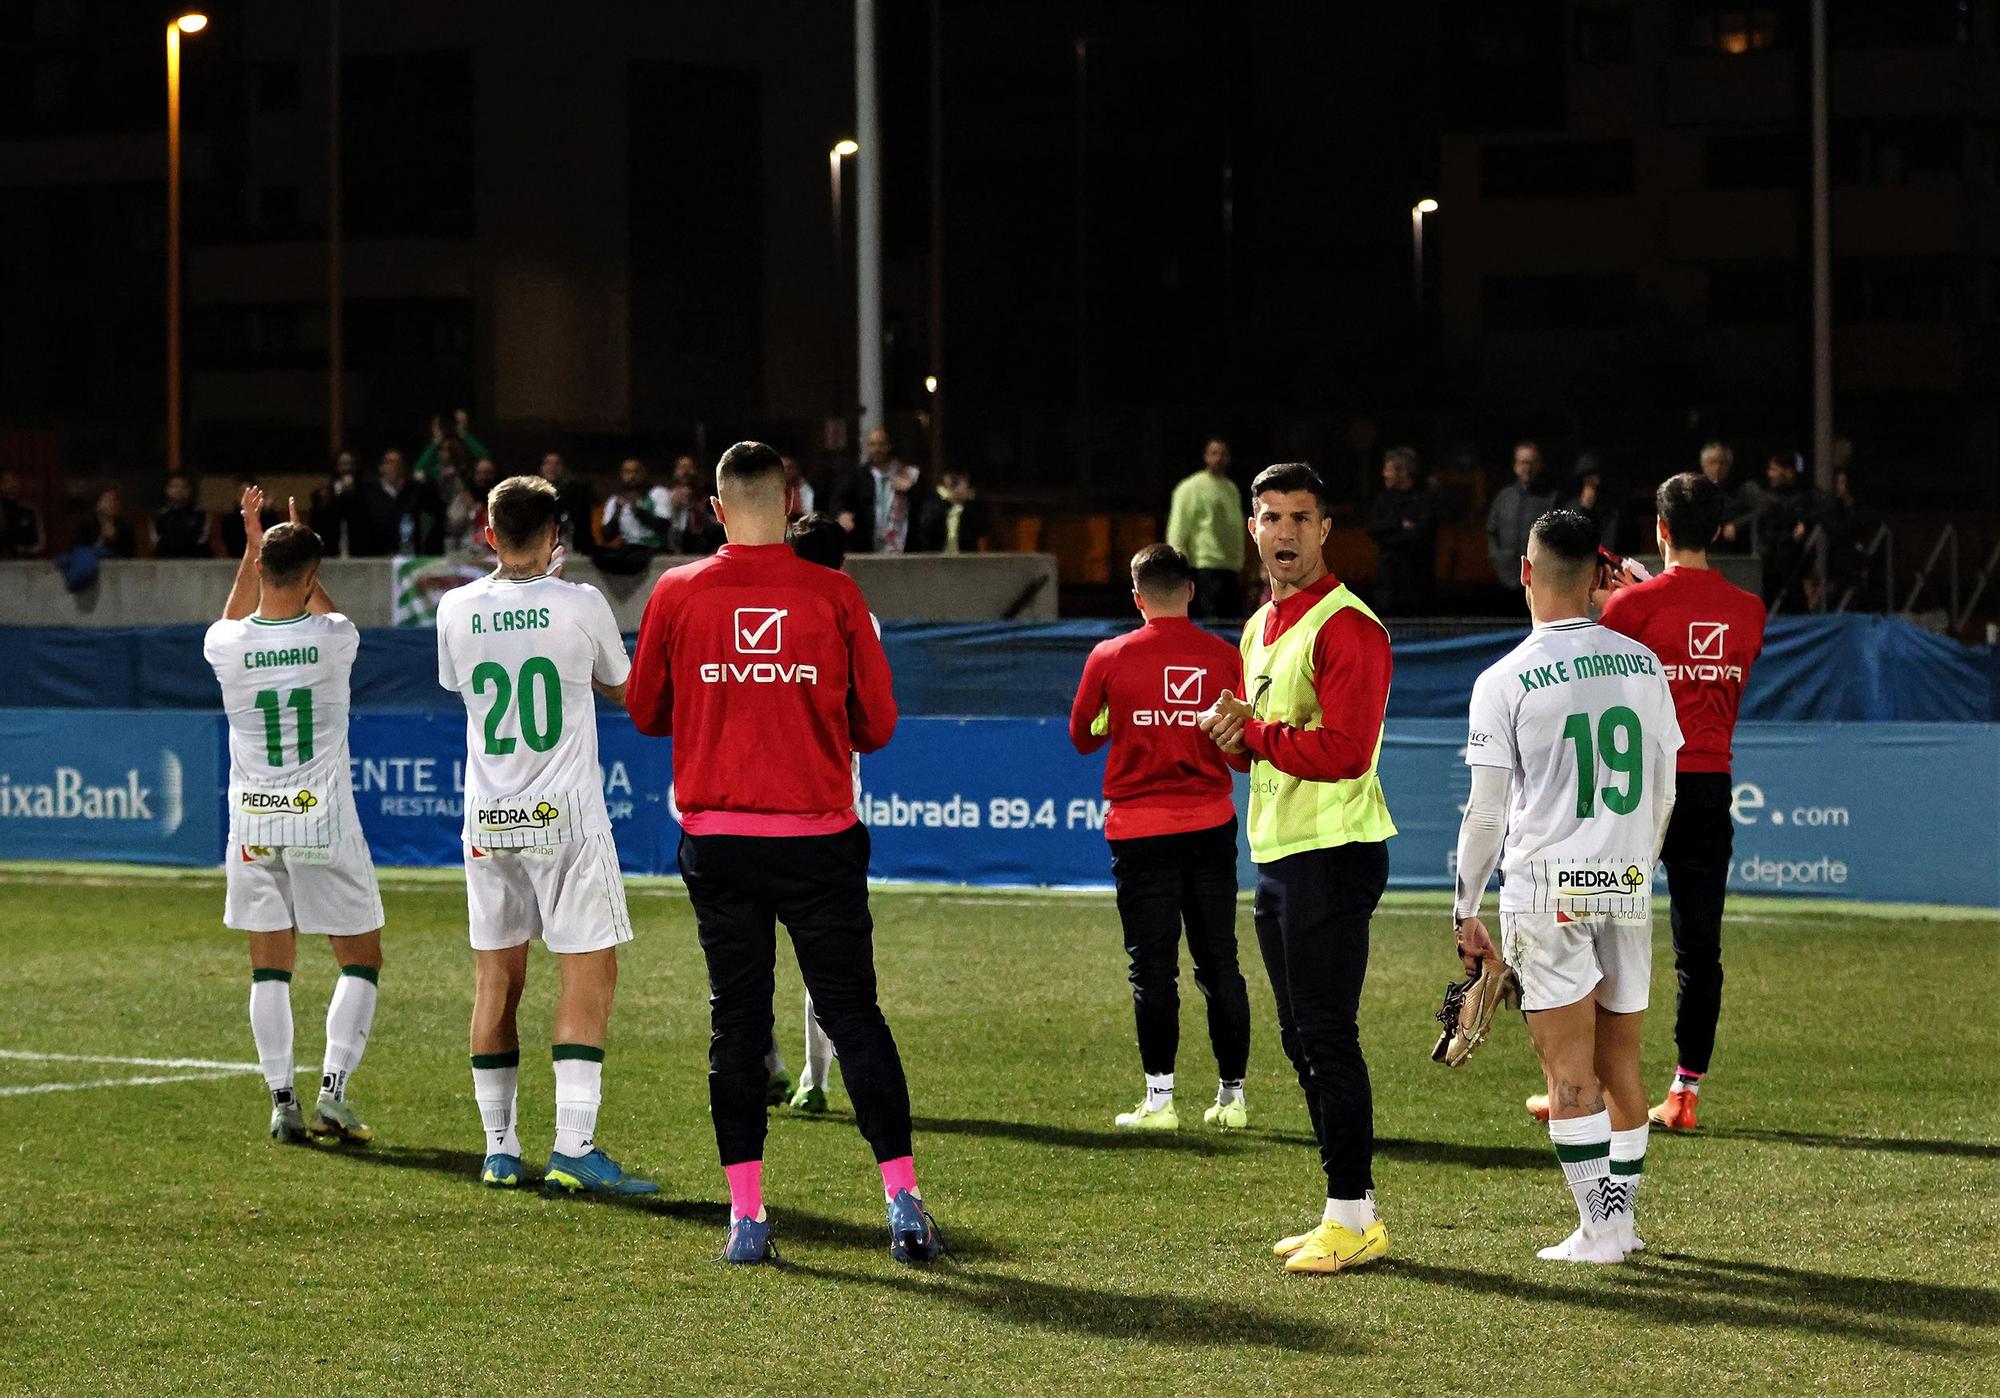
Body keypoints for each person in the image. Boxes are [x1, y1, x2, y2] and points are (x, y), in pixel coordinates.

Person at [625, 441, 942, 1267]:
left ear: (716, 507)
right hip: (818, 839)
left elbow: (647, 711)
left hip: (719, 839)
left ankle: (748, 1218)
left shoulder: (678, 590)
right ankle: (903, 1203)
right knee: (853, 1012)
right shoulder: (835, 592)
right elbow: (877, 725)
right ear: (791, 495)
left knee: (736, 1024)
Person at [1452, 508, 1681, 1263]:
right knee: (1622, 1069)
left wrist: (1465, 906)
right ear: (1596, 580)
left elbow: (1486, 813)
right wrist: (1636, 863)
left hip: (1547, 889)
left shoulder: (1503, 679)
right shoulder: (1643, 665)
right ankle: (1622, 1223)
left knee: (1567, 1075)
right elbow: (1665, 786)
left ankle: (1598, 1230)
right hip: (1622, 881)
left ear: (1525, 572)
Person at [1197, 462, 1397, 1275]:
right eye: (1270, 517)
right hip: (1281, 854)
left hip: (1335, 855)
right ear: (1251, 529)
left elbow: (1346, 754)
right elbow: (1269, 746)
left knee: (1327, 1038)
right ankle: (1350, 1210)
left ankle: (1351, 1216)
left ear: (1324, 530)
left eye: (1300, 518)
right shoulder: (1259, 627)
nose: (1283, 531)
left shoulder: (1350, 627)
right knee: (1299, 1040)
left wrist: (1258, 737)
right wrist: (1234, 743)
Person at [434, 475, 656, 1196]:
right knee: (588, 972)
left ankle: (499, 1148)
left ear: (487, 533)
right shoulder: (581, 603)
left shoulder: (456, 607)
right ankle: (574, 1145)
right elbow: (621, 688)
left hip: (488, 817)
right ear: (557, 533)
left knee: (496, 979)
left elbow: (461, 686)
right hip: (564, 819)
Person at [1536, 473, 1763, 1135]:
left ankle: (1580, 1086)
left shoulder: (1630, 610)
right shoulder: (1750, 611)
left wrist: (1621, 598)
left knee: (1592, 932)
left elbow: (1590, 671)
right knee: (1700, 949)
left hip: (1636, 792)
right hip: (1709, 787)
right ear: (1718, 531)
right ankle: (1684, 1092)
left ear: (1660, 529)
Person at [202, 485, 383, 1147]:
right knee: (360, 959)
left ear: (257, 574)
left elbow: (235, 621)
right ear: (311, 578)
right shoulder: (335, 638)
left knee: (269, 967)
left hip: (254, 822)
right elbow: (320, 608)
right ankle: (334, 1088)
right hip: (321, 820)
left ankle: (283, 1101)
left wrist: (255, 547)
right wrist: (304, 564)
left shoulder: (225, 644)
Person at [1070, 543, 1253, 1132]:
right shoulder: (1226, 657)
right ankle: (1233, 1099)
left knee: (1152, 969)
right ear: (1192, 592)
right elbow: (1244, 757)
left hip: (1139, 831)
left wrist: (1118, 718)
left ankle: (1160, 1101)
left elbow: (1082, 735)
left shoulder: (1109, 655)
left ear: (1137, 597)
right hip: (1209, 823)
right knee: (1219, 961)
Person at [773, 509, 877, 1114]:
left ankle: (768, 1068)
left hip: (752, 805)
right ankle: (814, 1080)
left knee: (746, 953)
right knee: (826, 957)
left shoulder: (767, 613)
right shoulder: (855, 617)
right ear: (845, 564)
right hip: (828, 808)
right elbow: (870, 718)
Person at [1165, 437, 1248, 620]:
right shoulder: (1190, 487)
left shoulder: (1231, 488)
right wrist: (1178, 563)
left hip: (1230, 568)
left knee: (1232, 623)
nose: (1219, 458)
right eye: (1214, 453)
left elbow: (1236, 527)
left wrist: (1240, 562)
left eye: (1223, 454)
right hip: (1205, 566)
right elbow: (1179, 526)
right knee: (1212, 623)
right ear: (1206, 457)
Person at [1363, 447, 1437, 616]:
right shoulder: (1383, 498)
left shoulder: (1424, 499)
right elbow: (1373, 529)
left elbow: (1420, 534)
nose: (1384, 474)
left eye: (1388, 469)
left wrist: (1388, 535)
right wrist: (1399, 524)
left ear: (1403, 471)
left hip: (1417, 583)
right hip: (1387, 584)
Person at [835, 427, 919, 554]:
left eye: (881, 444)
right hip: (868, 548)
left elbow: (925, 504)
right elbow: (839, 500)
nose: (876, 449)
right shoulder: (857, 476)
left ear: (889, 446)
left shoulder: (908, 474)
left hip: (901, 548)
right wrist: (841, 514)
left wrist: (910, 489)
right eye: (872, 445)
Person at [1486, 441, 1556, 591]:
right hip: (1504, 578)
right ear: (1515, 465)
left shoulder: (1551, 499)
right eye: (1523, 462)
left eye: (1532, 463)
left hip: (1538, 581)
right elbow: (1492, 531)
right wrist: (1497, 559)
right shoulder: (1504, 497)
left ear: (1540, 465)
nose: (1527, 468)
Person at [594, 457, 674, 574]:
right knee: (597, 554)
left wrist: (637, 510)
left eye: (636, 472)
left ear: (644, 473)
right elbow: (607, 536)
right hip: (627, 547)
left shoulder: (658, 493)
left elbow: (663, 526)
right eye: (627, 472)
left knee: (634, 558)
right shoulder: (615, 500)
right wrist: (617, 512)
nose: (632, 476)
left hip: (652, 547)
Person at [359, 450, 443, 556]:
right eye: (390, 462)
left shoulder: (416, 491)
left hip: (409, 554)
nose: (394, 466)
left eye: (398, 463)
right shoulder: (370, 494)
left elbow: (435, 511)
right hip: (379, 556)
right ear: (381, 468)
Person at [1699, 442, 1762, 553]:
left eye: (1722, 463)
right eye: (1712, 463)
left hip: (1735, 549)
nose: (1718, 467)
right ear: (1704, 466)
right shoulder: (1696, 489)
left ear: (1729, 465)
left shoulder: (1743, 488)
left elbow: (1759, 510)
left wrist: (1736, 524)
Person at [912, 468, 991, 554]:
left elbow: (980, 533)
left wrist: (965, 504)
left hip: (966, 557)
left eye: (962, 481)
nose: (958, 486)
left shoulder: (973, 506)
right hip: (937, 557)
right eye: (954, 481)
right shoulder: (934, 502)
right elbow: (926, 529)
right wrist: (949, 503)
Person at [311, 453, 368, 558]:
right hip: (331, 548)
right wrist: (340, 492)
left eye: (350, 464)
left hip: (358, 549)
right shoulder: (324, 492)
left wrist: (351, 493)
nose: (346, 468)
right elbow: (319, 520)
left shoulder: (364, 491)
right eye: (343, 464)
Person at [538, 453, 595, 553]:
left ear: (563, 468)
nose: (552, 468)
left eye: (557, 464)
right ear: (541, 468)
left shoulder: (576, 493)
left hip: (570, 549)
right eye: (548, 463)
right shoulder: (531, 496)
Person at [414, 409, 490, 482]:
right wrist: (437, 440)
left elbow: (484, 457)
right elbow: (419, 469)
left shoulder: (467, 444)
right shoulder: (435, 450)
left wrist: (462, 433)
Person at [444, 457, 499, 556]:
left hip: (495, 557)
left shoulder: (505, 503)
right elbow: (452, 528)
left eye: (487, 473)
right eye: (479, 473)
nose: (483, 477)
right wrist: (467, 509)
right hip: (467, 556)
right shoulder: (463, 499)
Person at [1563, 454, 1619, 550]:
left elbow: (1610, 541)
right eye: (1588, 481)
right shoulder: (1570, 508)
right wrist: (1584, 509)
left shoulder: (1611, 508)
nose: (1593, 484)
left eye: (1595, 478)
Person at [151, 473, 211, 559]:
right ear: (166, 489)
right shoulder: (158, 516)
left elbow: (202, 541)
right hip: (166, 562)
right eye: (174, 486)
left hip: (195, 562)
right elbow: (156, 541)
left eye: (184, 487)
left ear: (190, 490)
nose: (179, 490)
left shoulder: (201, 515)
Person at [73, 488, 135, 559]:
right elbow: (78, 549)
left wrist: (113, 538)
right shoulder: (87, 524)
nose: (111, 504)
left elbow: (129, 554)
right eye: (107, 500)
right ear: (98, 505)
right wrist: (102, 539)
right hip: (90, 562)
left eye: (114, 501)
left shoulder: (126, 526)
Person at [1, 469, 46, 557]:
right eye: (5, 482)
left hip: (26, 561)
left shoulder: (30, 509)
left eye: (14, 480)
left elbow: (40, 542)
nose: (10, 485)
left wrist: (28, 550)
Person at [782, 454, 816, 520]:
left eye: (789, 468)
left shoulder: (806, 489)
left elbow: (808, 513)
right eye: (782, 468)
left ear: (796, 469)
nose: (786, 471)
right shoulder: (769, 488)